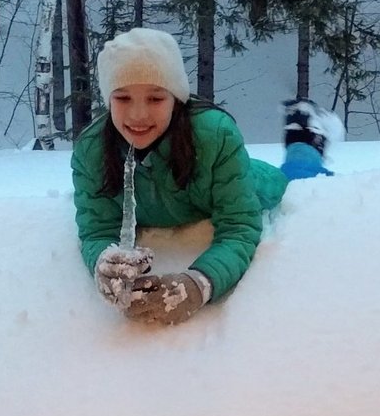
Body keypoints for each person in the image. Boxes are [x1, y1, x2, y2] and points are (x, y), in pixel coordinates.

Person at [72, 28, 331, 326]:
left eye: (156, 98)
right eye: (123, 98)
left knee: (299, 178)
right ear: (108, 99)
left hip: (249, 181)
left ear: (176, 99)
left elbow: (239, 228)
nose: (138, 114)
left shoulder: (217, 135)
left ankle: (306, 137)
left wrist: (198, 283)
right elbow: (96, 230)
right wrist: (104, 264)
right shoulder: (92, 149)